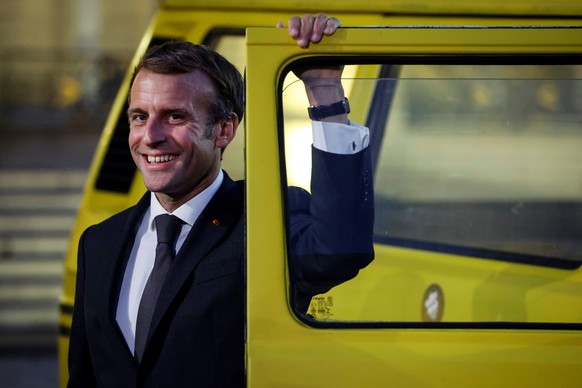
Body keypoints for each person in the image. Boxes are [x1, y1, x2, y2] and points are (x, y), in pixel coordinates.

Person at [68, 14, 374, 387]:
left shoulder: (263, 217)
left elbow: (339, 249)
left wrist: (324, 92)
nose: (150, 136)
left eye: (174, 116)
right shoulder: (98, 244)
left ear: (224, 129)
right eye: (139, 116)